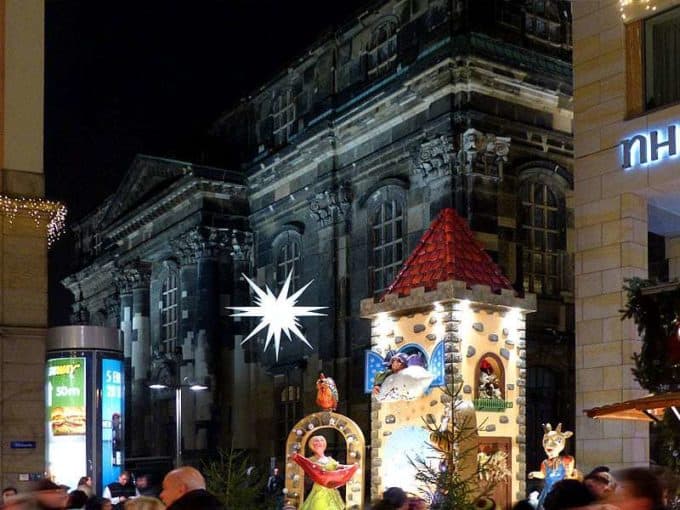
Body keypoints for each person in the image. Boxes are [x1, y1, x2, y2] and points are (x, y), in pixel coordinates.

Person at [290, 435, 358, 510]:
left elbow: (339, 466)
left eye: (321, 440)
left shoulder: (329, 459)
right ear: (312, 445)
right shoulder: (310, 460)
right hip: (319, 490)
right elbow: (310, 468)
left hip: (331, 490)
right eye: (316, 441)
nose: (319, 443)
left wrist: (352, 467)